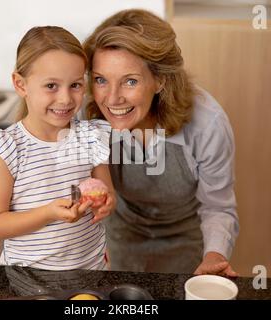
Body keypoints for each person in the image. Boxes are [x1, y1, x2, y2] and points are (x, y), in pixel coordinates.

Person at [82, 9, 239, 276]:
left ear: (160, 80)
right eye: (100, 80)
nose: (112, 99)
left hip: (186, 243)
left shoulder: (206, 123)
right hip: (119, 237)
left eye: (130, 81)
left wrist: (214, 256)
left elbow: (217, 206)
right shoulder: (85, 113)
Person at [0, 26, 115, 270]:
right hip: (28, 279)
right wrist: (48, 213)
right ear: (21, 85)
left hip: (92, 271)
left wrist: (105, 203)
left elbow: (108, 194)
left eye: (75, 85)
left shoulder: (91, 136)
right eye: (51, 86)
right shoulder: (7, 148)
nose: (65, 99)